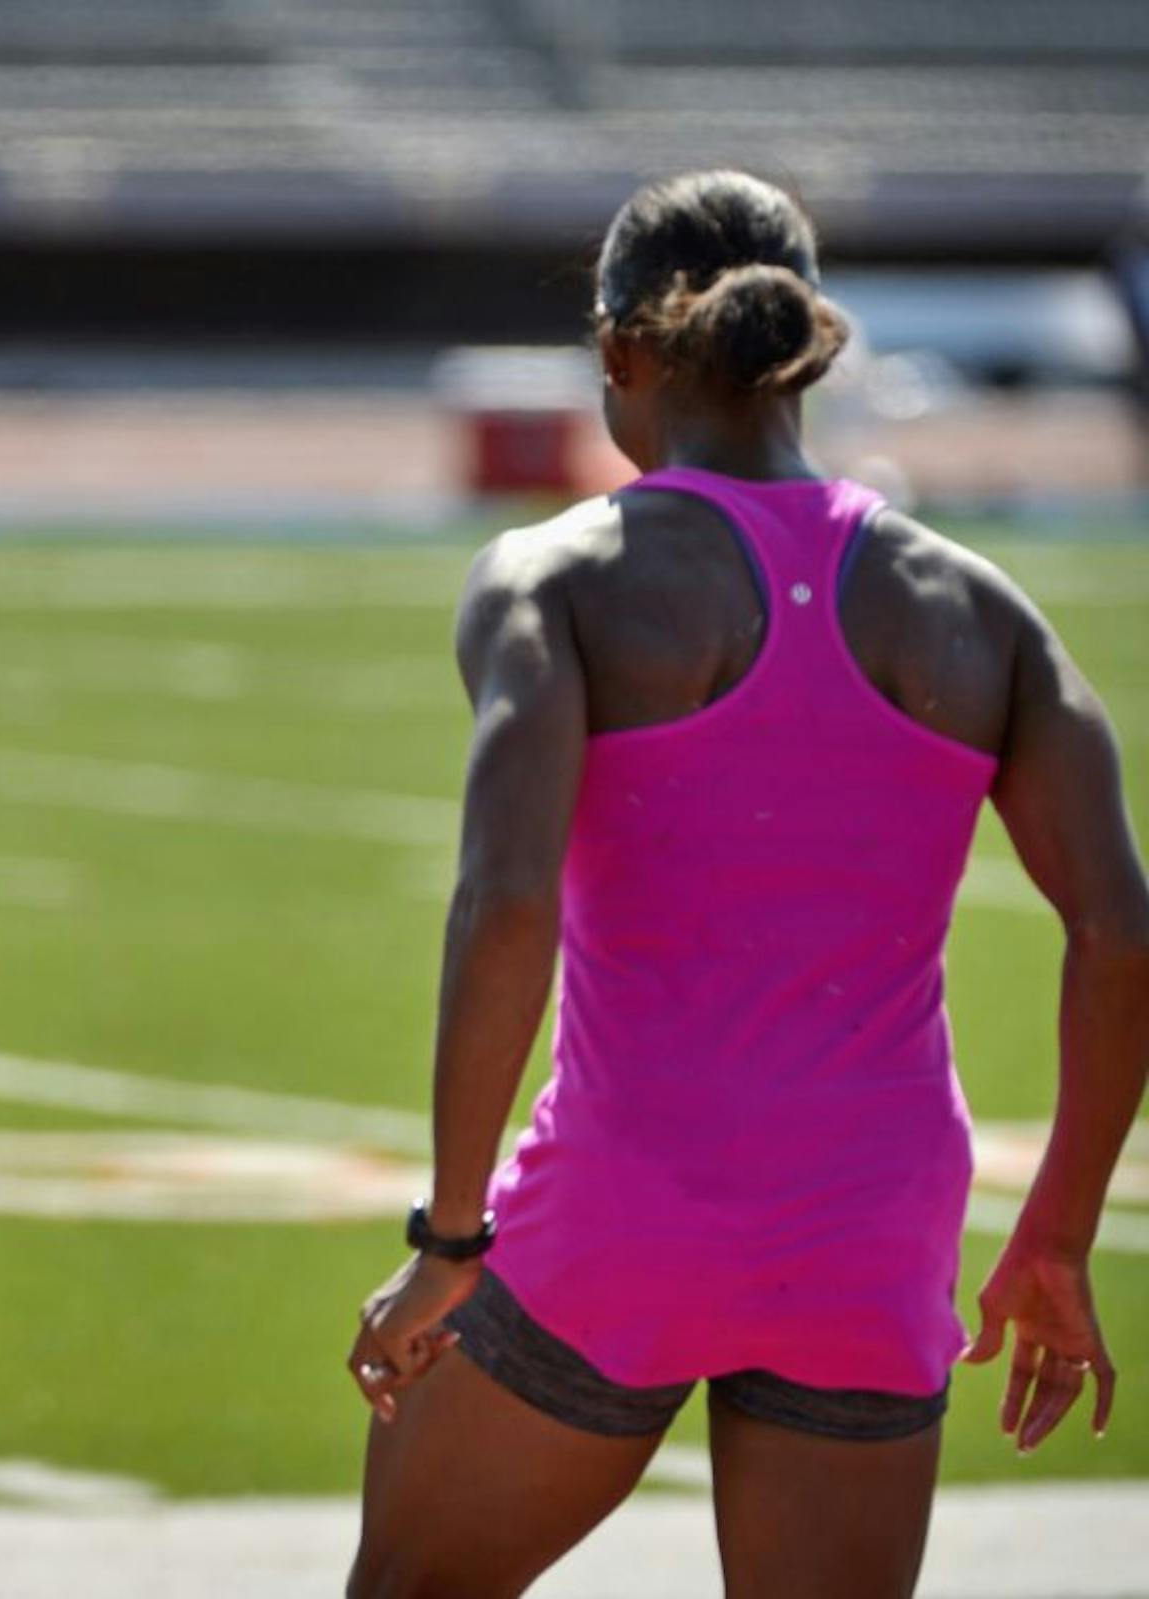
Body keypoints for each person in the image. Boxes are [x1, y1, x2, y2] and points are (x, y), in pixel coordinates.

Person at [346, 169, 1149, 1598]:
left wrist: (450, 1237)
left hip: (619, 1214)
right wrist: (1059, 1236)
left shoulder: (556, 579)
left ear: (618, 352)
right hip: (874, 1226)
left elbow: (507, 904)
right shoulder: (979, 609)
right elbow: (1120, 930)